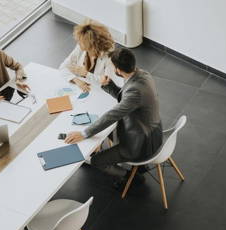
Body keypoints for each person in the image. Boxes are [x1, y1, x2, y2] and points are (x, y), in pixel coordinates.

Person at [65, 48, 163, 181]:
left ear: (118, 70)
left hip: (141, 144)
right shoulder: (143, 75)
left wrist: (84, 133)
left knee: (96, 161)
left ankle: (130, 178)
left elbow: (112, 115)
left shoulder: (135, 91)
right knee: (105, 130)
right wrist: (108, 84)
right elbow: (125, 97)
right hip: (152, 132)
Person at [59, 20, 122, 92]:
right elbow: (63, 67)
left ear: (92, 45)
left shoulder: (110, 57)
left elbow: (108, 82)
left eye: (81, 42)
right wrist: (76, 80)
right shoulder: (80, 47)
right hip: (85, 90)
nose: (78, 43)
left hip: (101, 92)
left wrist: (86, 74)